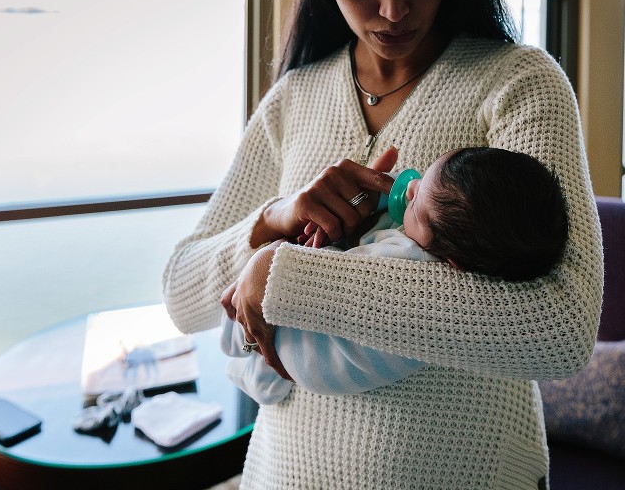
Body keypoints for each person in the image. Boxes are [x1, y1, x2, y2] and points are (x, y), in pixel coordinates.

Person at [162, 0, 603, 488]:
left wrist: (285, 277)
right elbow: (180, 294)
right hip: (282, 475)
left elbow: (560, 330)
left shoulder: (519, 82)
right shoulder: (294, 99)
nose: (394, 9)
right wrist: (272, 218)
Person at [220, 147, 569, 405]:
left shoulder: (411, 268)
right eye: (424, 177)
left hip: (316, 357)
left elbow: (342, 267)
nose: (410, 186)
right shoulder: (449, 244)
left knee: (248, 327)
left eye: (415, 203)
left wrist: (275, 256)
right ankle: (260, 375)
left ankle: (245, 360)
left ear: (452, 263)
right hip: (314, 375)